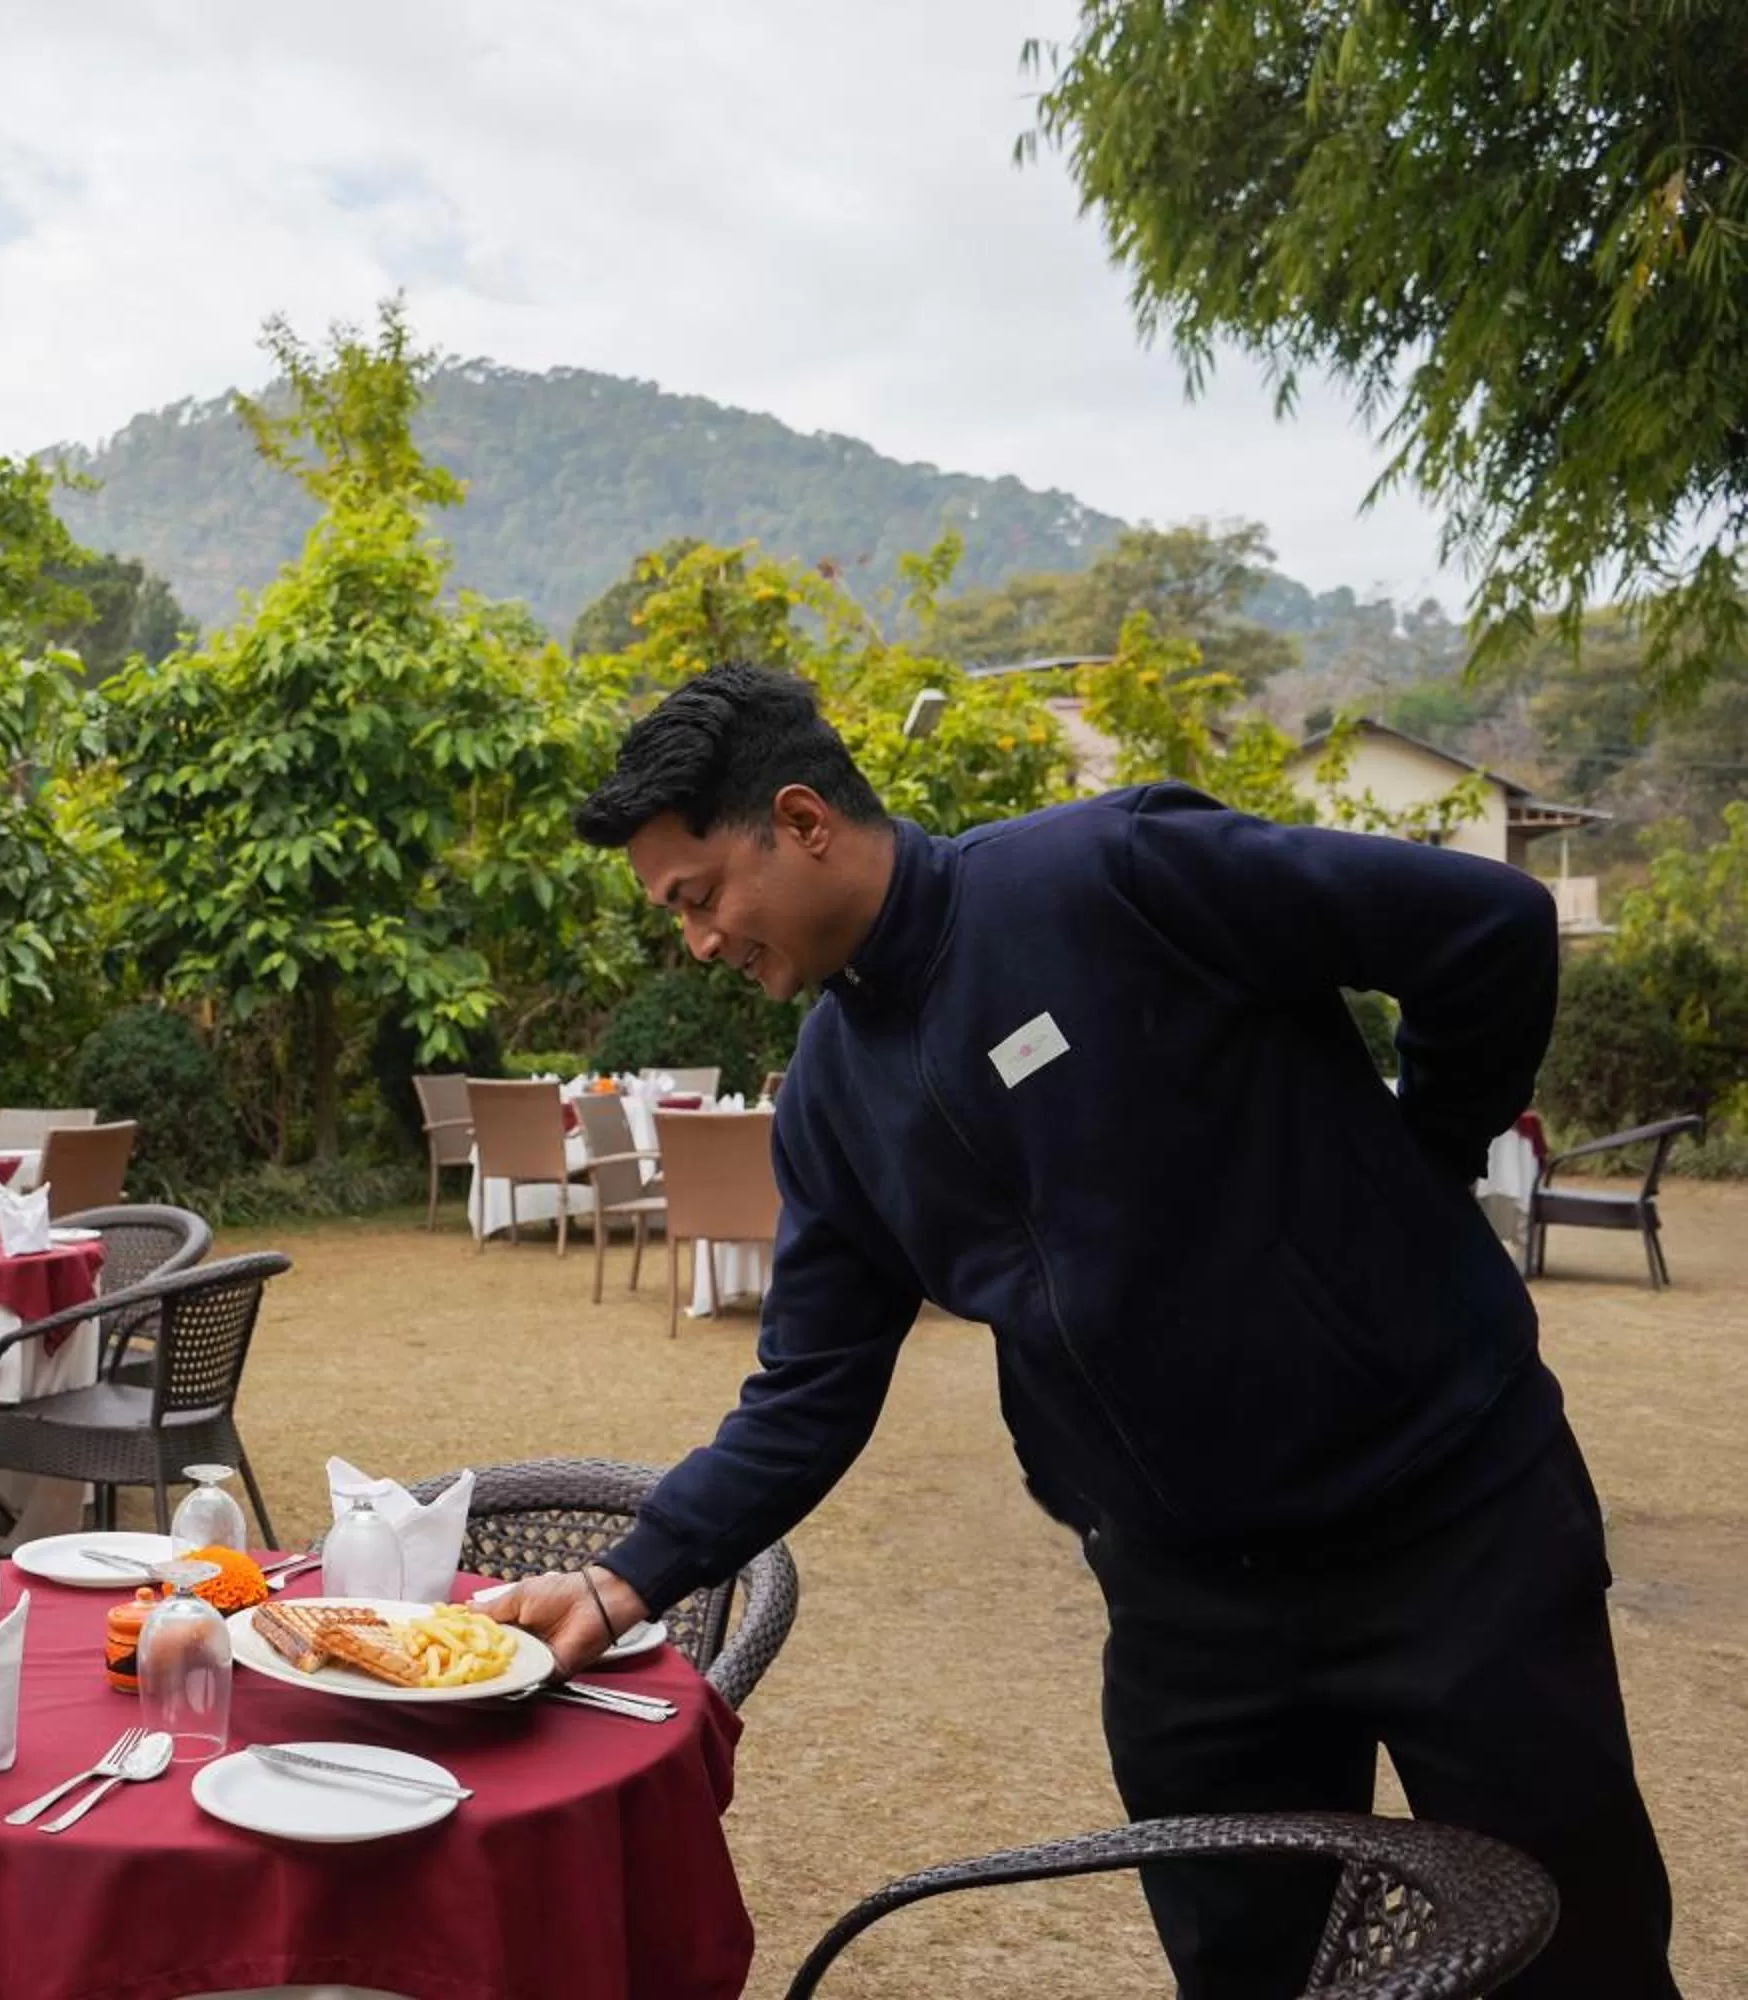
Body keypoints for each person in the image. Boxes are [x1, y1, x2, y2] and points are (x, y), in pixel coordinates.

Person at [490, 663, 1678, 1998]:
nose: (699, 941)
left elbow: (1485, 925)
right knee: (1249, 1976)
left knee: (1580, 1957)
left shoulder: (1111, 873)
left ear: (803, 820)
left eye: (699, 897)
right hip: (1190, 1616)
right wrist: (627, 1580)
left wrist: (1428, 1151)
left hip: (1452, 1523)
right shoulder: (830, 1096)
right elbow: (810, 1389)